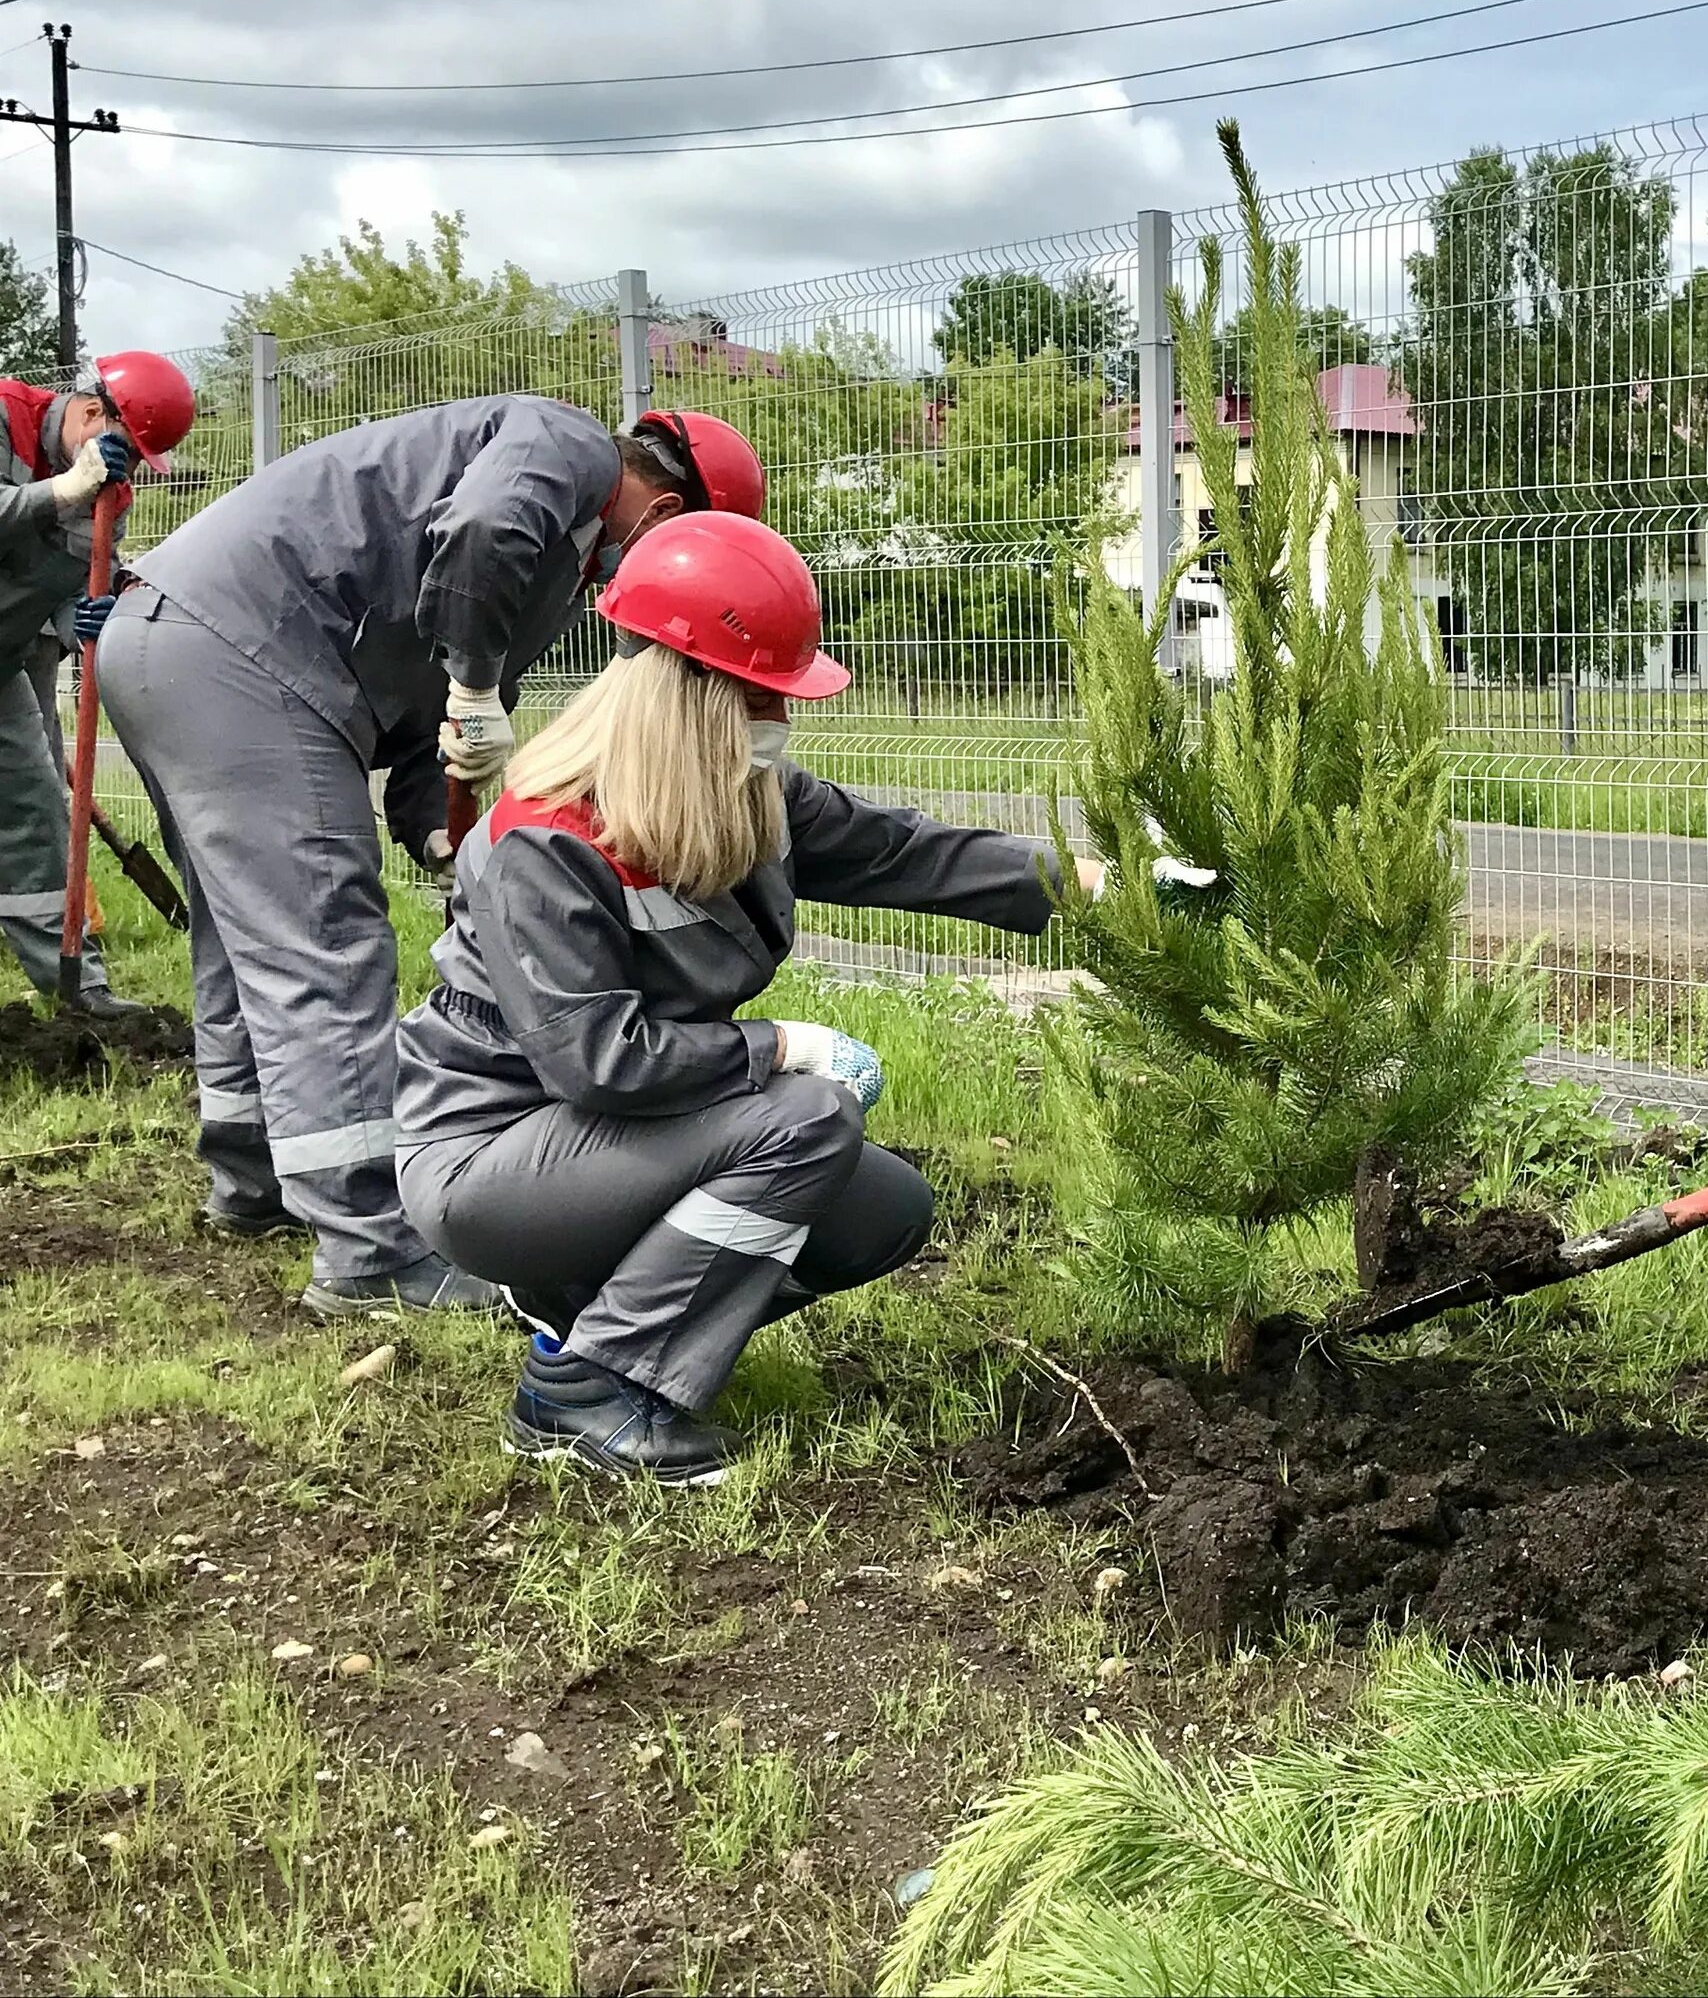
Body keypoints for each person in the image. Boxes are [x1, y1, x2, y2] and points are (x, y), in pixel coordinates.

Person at [393, 514, 1086, 1485]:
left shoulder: (737, 792)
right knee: (804, 1118)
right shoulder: (544, 842)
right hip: (493, 1156)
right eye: (765, 694)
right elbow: (598, 1060)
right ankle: (590, 1387)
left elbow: (910, 854)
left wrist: (1103, 885)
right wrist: (780, 1048)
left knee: (883, 1210)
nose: (782, 721)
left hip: (622, 1137)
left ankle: (596, 1314)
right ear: (693, 694)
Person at [97, 399, 766, 1318]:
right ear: (664, 510)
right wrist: (480, 681)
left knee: (246, 935)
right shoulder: (564, 446)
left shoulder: (540, 579)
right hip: (243, 649)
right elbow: (482, 542)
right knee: (323, 940)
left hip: (174, 641)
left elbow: (434, 730)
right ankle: (373, 1250)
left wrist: (443, 837)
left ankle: (253, 1179)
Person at [0, 350, 194, 1016]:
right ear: (88, 412)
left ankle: (79, 991)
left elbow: (73, 585)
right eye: (128, 448)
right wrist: (59, 491)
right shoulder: (2, 414)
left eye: (142, 459)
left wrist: (94, 613)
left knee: (35, 818)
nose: (129, 470)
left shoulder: (110, 498)